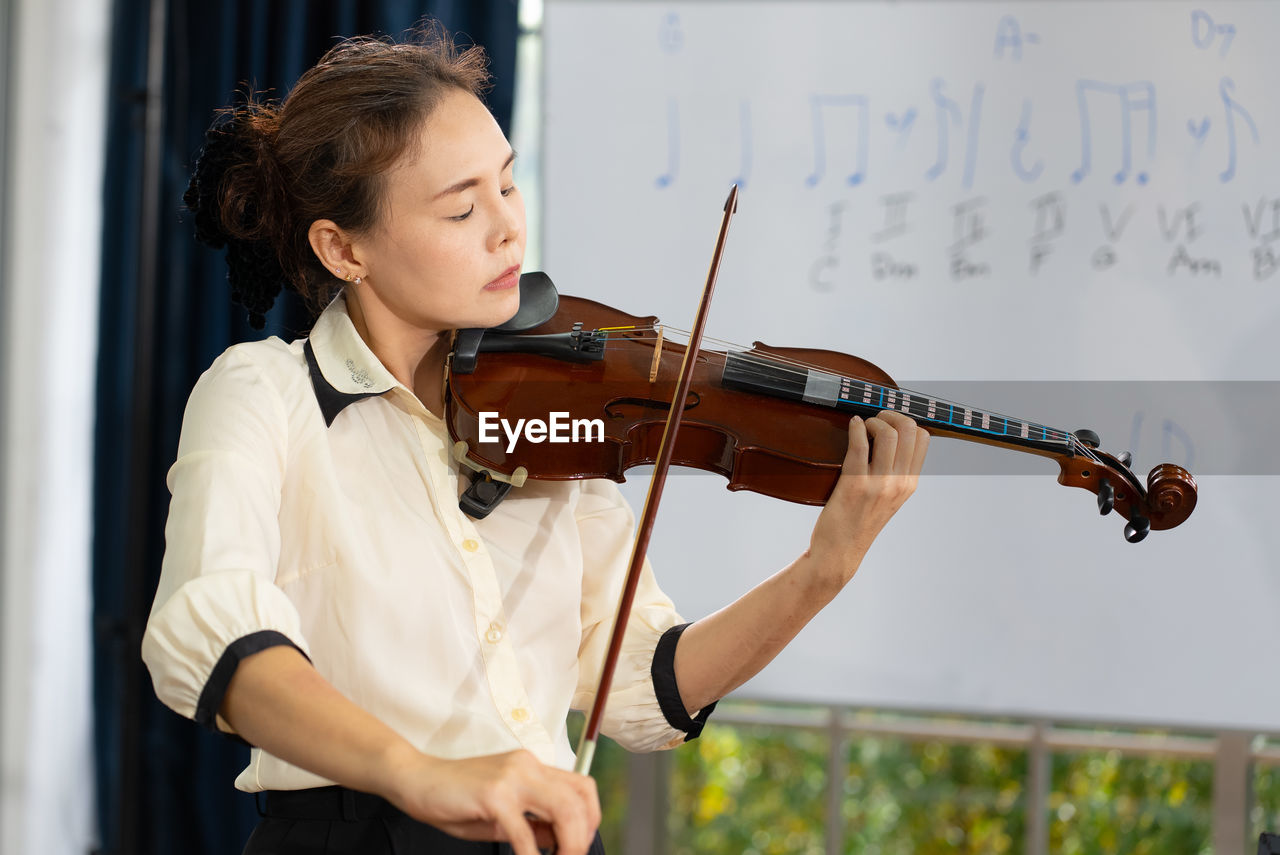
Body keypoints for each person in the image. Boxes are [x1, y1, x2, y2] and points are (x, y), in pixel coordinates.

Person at [141, 24, 930, 855]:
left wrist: (822, 571)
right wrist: (421, 773)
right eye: (461, 207)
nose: (508, 229)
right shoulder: (266, 392)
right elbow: (208, 628)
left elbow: (640, 681)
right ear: (344, 249)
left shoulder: (552, 403)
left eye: (509, 186)